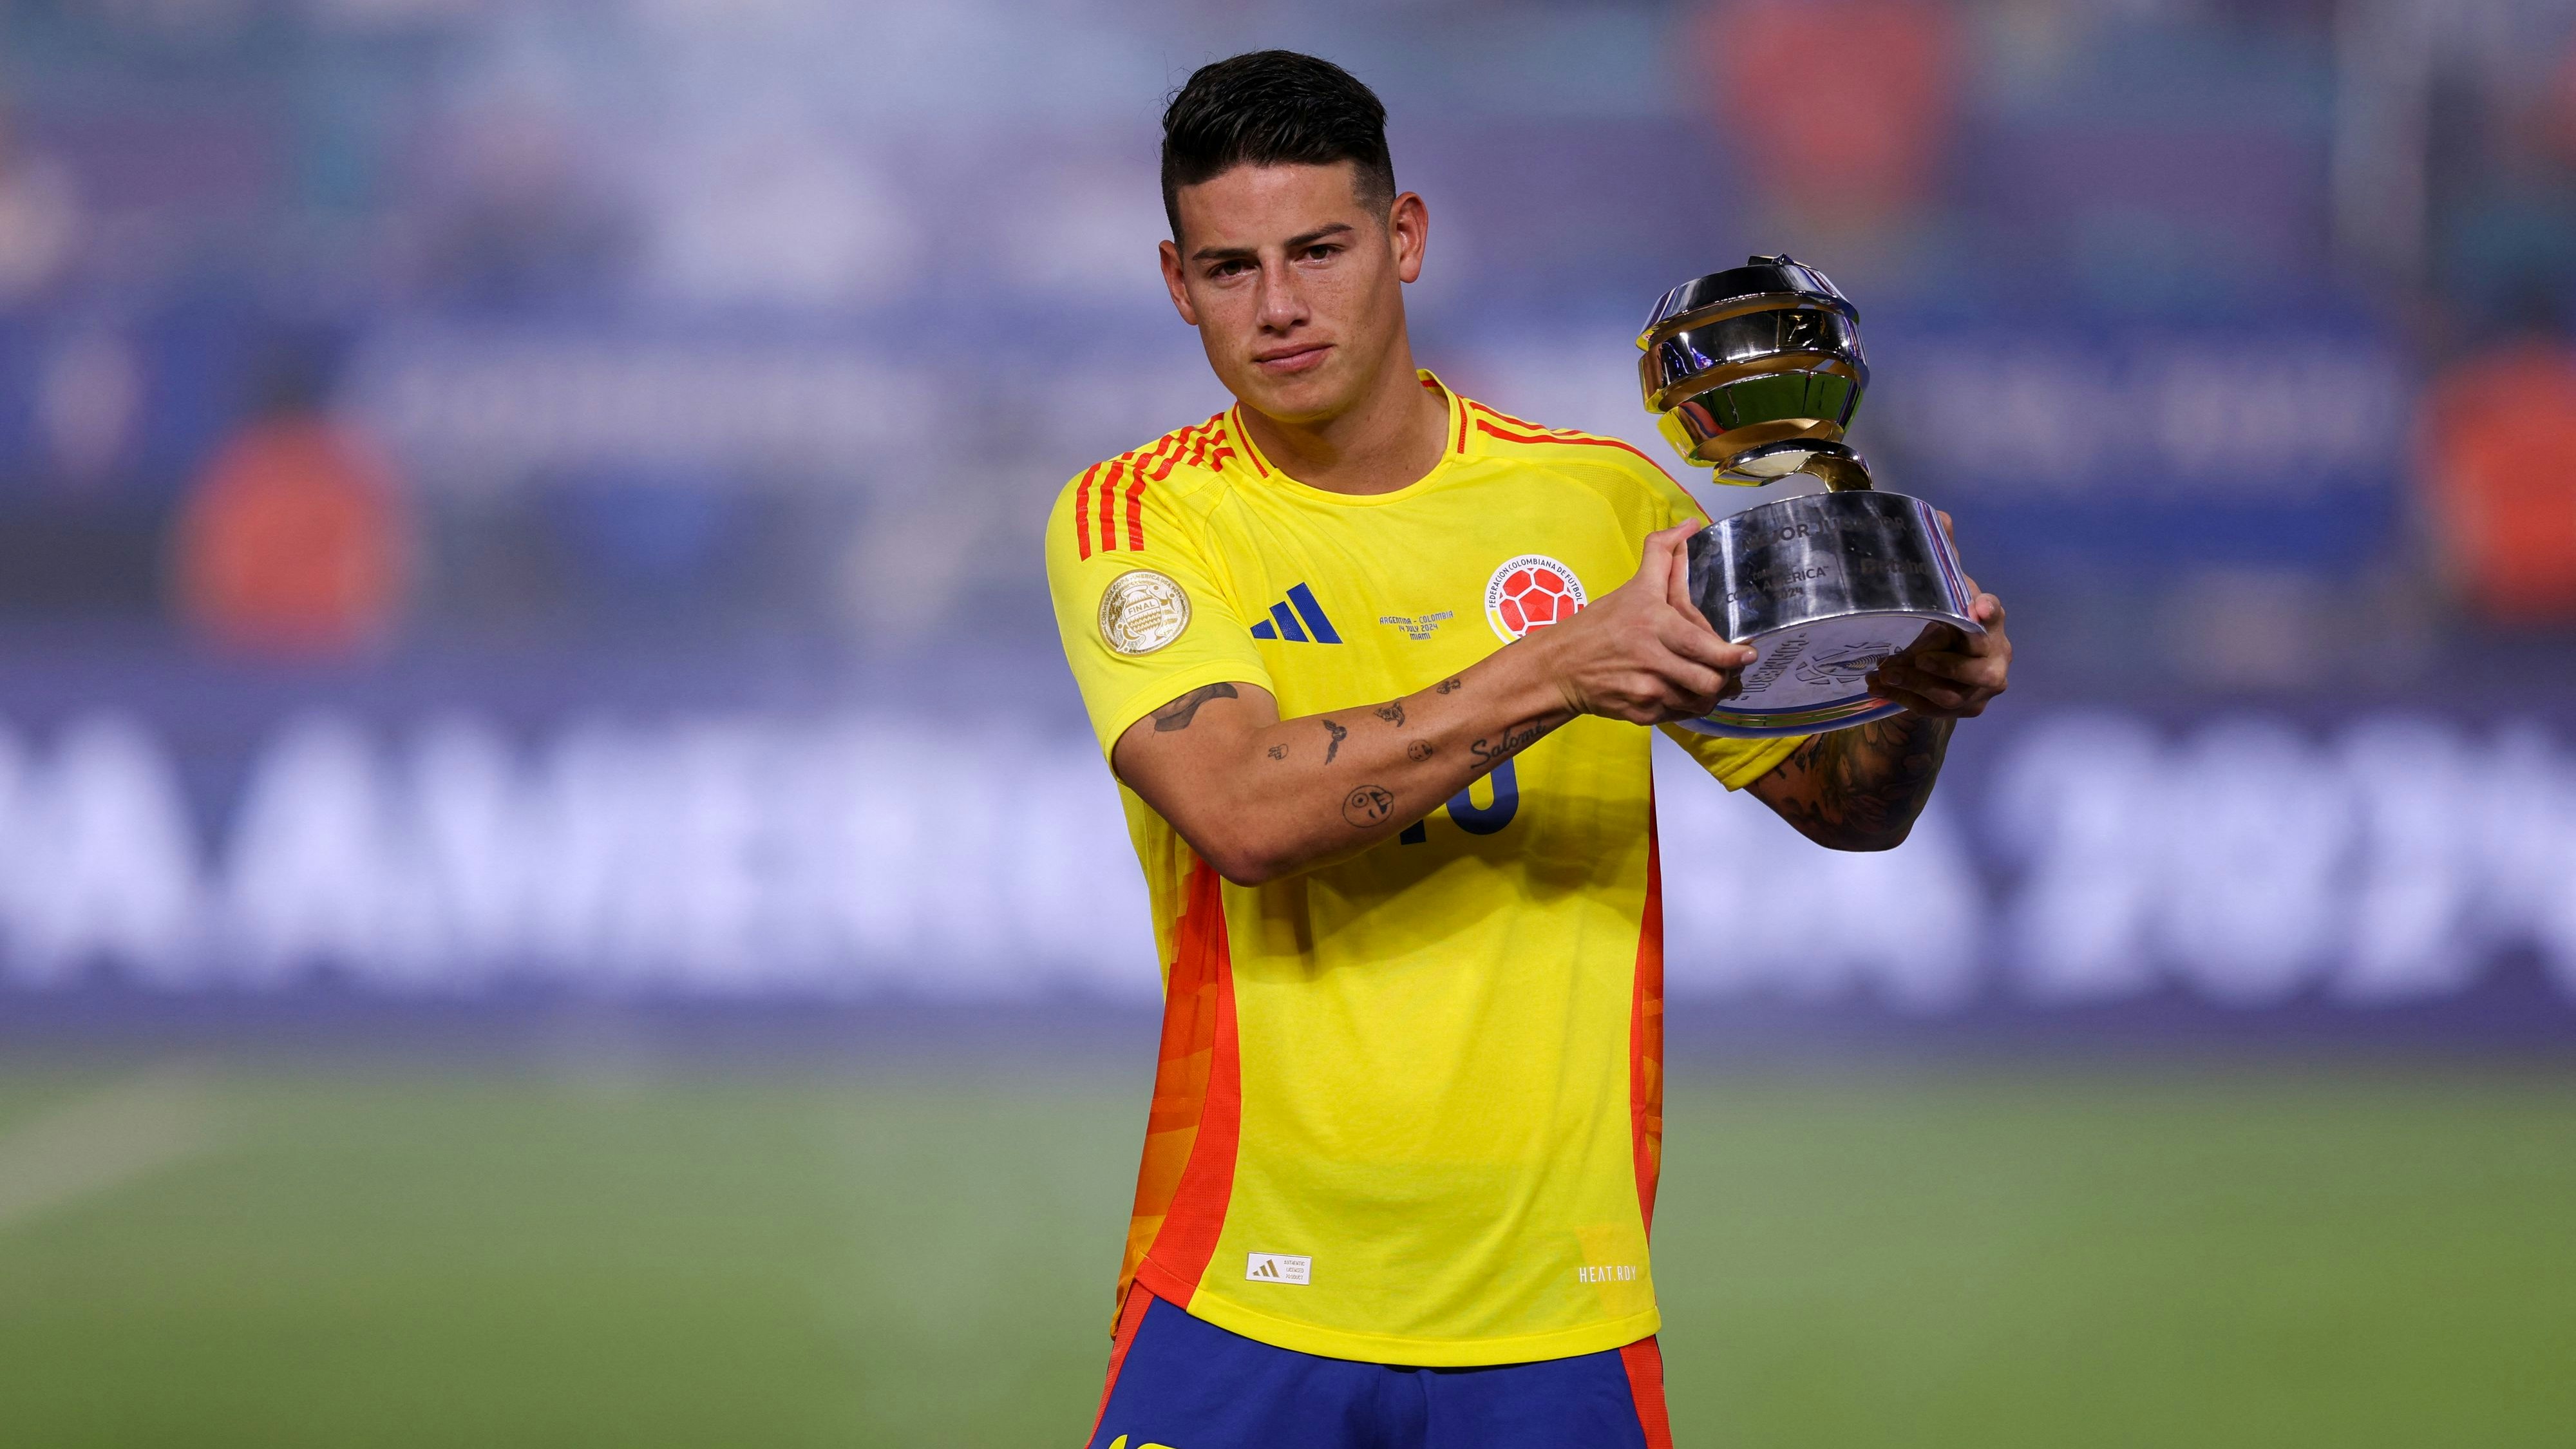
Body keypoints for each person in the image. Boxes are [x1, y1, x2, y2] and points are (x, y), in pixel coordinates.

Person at [1043, 51, 2010, 1449]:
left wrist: (1916, 693)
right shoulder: (1142, 516)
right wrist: (1557, 665)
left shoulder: (1599, 504)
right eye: (1229, 268)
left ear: (1405, 236)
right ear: (1175, 282)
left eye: (1318, 250)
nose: (1280, 306)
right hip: (1241, 1289)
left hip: (1560, 1310)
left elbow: (1846, 808)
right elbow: (1240, 813)